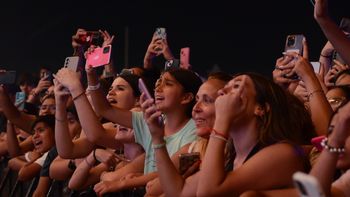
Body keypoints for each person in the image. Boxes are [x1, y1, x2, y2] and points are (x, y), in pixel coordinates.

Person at [196, 73, 310, 196]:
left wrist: (221, 121)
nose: (221, 91)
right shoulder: (230, 155)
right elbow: (181, 191)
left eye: (236, 86)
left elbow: (207, 193)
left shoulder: (284, 152)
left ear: (260, 108)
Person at [144, 72, 232, 197]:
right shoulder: (193, 150)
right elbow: (152, 192)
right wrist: (157, 138)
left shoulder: (237, 155)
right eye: (197, 99)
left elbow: (203, 192)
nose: (195, 108)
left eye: (207, 100)